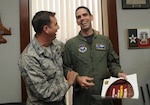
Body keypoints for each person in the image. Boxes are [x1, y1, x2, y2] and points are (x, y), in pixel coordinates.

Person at [63, 6, 127, 105]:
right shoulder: (71, 44)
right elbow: (66, 68)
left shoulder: (104, 41)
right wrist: (77, 79)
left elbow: (113, 62)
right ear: (77, 21)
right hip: (83, 96)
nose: (82, 18)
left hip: (104, 94)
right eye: (79, 17)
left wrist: (118, 72)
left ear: (91, 17)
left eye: (85, 15)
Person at [18, 11, 78, 105]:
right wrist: (69, 83)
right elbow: (45, 93)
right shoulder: (29, 57)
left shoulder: (56, 45)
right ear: (46, 29)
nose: (58, 27)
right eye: (55, 24)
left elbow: (71, 51)